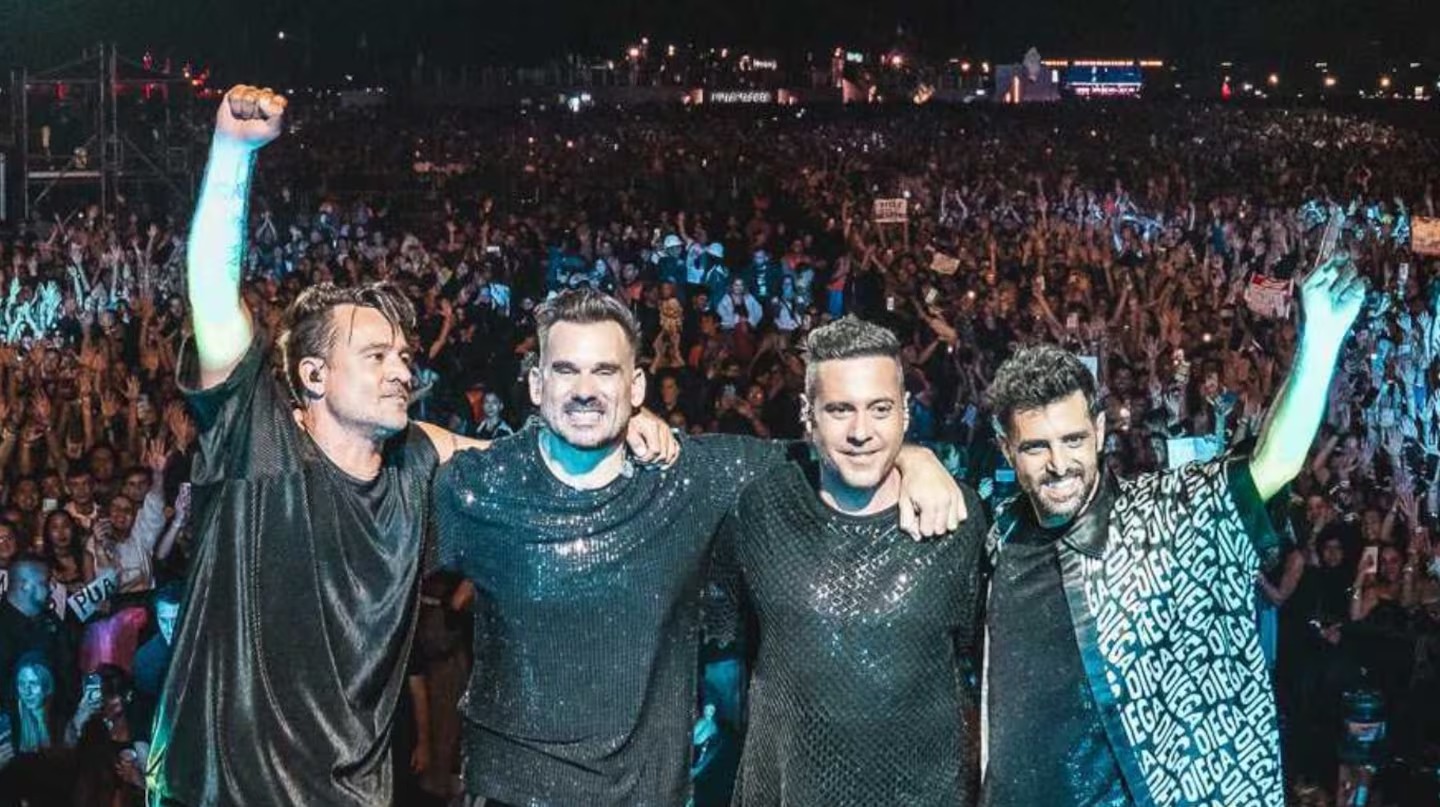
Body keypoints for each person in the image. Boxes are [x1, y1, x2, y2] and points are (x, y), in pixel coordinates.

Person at [146, 85, 675, 807]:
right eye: (375, 356)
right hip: (218, 792)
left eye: (403, 355)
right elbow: (210, 289)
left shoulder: (416, 462)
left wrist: (614, 426)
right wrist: (234, 153)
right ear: (313, 376)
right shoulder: (258, 442)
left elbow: (518, 458)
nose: (402, 370)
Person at [433, 288, 964, 807]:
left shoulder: (688, 478)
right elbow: (404, 449)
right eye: (566, 370)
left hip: (651, 794)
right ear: (536, 383)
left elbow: (834, 446)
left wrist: (914, 458)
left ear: (636, 387)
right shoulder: (483, 485)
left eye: (605, 371)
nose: (585, 390)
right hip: (511, 792)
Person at [980, 256, 1366, 807]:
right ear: (1006, 449)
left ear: (1099, 430)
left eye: (1073, 440)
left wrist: (1320, 343)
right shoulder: (997, 538)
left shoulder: (1162, 515)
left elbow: (1274, 463)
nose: (1059, 464)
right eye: (1037, 447)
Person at [719, 316, 986, 806]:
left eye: (879, 409)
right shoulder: (761, 507)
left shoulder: (956, 518)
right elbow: (722, 661)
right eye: (840, 409)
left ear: (905, 412)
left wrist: (917, 458)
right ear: (809, 414)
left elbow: (982, 671)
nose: (861, 431)